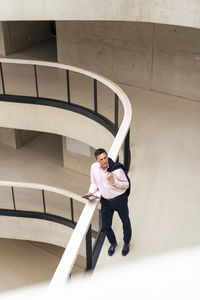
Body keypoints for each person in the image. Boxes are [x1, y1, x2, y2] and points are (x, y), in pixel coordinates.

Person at [84, 148, 132, 256]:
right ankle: (113, 243)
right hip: (106, 202)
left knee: (125, 221)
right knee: (105, 226)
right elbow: (94, 182)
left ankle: (126, 243)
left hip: (120, 200)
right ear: (97, 161)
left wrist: (113, 181)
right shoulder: (94, 168)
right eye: (101, 159)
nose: (104, 161)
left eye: (105, 157)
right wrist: (91, 192)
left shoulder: (116, 169)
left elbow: (126, 185)